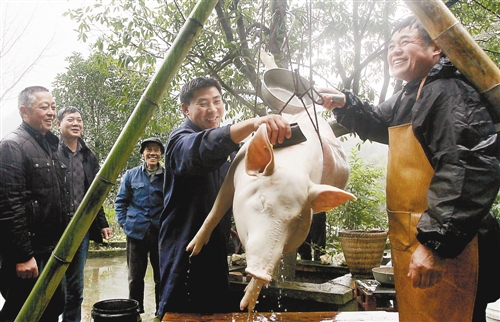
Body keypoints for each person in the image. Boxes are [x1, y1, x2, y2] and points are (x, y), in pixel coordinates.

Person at [318, 16, 500, 322]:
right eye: (391, 45)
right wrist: (345, 103)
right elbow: (376, 119)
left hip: (454, 245)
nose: (395, 51)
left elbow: (466, 168)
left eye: (406, 42)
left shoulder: (449, 93)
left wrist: (435, 246)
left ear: (437, 49)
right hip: (415, 239)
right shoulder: (411, 94)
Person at [157, 77, 291, 316]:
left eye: (217, 101)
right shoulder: (179, 141)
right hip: (184, 245)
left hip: (216, 244)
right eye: (203, 103)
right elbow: (202, 150)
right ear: (186, 109)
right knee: (180, 311)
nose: (213, 109)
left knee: (216, 308)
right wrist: (253, 124)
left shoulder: (229, 152)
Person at [0, 86, 67, 322]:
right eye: (44, 107)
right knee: (22, 313)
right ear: (24, 111)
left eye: (53, 107)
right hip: (30, 254)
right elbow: (9, 205)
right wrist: (22, 255)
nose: (51, 112)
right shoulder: (12, 146)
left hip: (50, 249)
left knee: (52, 308)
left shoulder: (49, 145)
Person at [56, 106, 112, 322]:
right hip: (55, 228)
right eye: (71, 120)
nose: (76, 123)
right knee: (53, 286)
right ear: (59, 124)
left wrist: (102, 223)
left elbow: (94, 194)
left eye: (79, 120)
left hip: (81, 229)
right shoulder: (51, 151)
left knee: (75, 287)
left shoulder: (88, 156)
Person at [115, 137, 165, 316]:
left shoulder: (167, 177)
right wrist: (124, 223)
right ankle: (134, 312)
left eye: (156, 150)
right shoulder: (131, 175)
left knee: (161, 277)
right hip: (136, 233)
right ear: (143, 153)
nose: (152, 153)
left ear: (160, 154)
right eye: (149, 149)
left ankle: (161, 312)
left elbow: (172, 204)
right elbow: (120, 202)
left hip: (159, 233)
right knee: (135, 278)